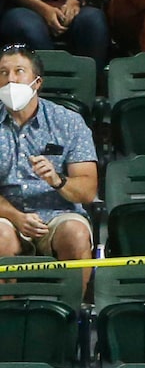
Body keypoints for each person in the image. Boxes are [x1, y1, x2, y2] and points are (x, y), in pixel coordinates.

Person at [0, 49, 93, 263]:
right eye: (3, 73)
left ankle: (73, 298)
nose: (10, 80)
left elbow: (87, 191)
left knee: (76, 234)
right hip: (6, 216)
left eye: (19, 71)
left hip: (58, 213)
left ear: (37, 82)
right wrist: (15, 216)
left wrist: (57, 180)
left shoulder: (68, 122)